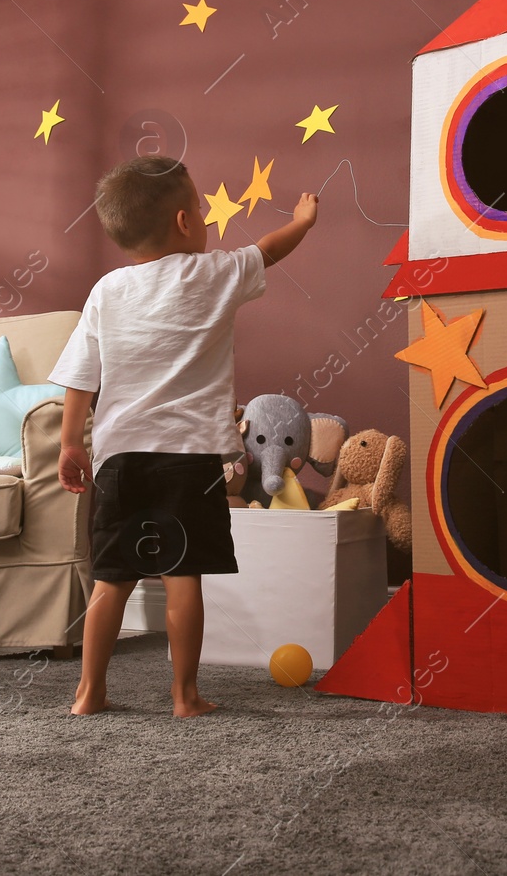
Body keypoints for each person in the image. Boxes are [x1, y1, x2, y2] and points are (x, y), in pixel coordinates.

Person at [50, 155, 318, 716]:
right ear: (183, 222)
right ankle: (184, 695)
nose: (201, 215)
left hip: (120, 459)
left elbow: (81, 374)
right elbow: (269, 248)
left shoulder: (107, 290)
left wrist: (71, 443)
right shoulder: (215, 273)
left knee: (111, 580)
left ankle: (88, 693)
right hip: (188, 458)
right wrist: (303, 221)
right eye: (197, 206)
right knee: (183, 577)